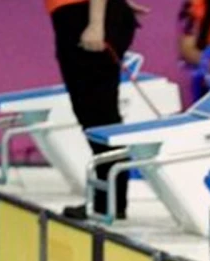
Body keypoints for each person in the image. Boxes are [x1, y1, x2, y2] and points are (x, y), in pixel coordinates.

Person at [49, 0, 145, 221]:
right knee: (93, 113)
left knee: (98, 113)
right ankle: (108, 201)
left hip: (85, 17)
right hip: (82, 15)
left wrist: (96, 22)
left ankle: (108, 203)